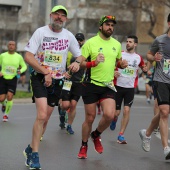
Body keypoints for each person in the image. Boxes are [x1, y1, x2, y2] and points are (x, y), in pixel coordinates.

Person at [23, 5, 82, 169]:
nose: (59, 17)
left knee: (46, 119)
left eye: (63, 15)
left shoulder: (69, 36)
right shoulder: (41, 32)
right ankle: (34, 156)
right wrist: (45, 72)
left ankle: (30, 148)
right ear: (51, 15)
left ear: (66, 19)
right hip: (40, 78)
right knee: (41, 115)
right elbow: (28, 55)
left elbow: (80, 55)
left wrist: (77, 63)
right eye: (57, 14)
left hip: (58, 81)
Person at [77, 15, 128, 159]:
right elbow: (80, 62)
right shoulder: (90, 43)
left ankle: (96, 134)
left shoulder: (117, 44)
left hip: (107, 85)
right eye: (107, 25)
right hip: (90, 83)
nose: (110, 27)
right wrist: (93, 63)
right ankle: (84, 144)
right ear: (101, 26)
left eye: (112, 25)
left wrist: (121, 65)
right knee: (90, 118)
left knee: (110, 115)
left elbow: (117, 62)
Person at [139, 13, 170, 160]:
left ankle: (147, 134)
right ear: (169, 24)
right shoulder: (160, 40)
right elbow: (149, 55)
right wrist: (154, 58)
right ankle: (166, 149)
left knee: (164, 112)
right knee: (164, 112)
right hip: (161, 79)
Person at [109, 35, 147, 144]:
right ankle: (114, 119)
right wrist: (113, 73)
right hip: (118, 87)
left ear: (135, 44)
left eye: (130, 42)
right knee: (116, 113)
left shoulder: (138, 58)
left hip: (130, 89)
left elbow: (143, 67)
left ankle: (121, 134)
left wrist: (145, 69)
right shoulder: (120, 54)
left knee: (126, 110)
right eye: (127, 41)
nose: (128, 43)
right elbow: (110, 65)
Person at [58, 33, 85, 134]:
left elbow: (88, 65)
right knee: (65, 105)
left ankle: (69, 125)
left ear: (83, 41)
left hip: (79, 82)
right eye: (77, 39)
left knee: (73, 105)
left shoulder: (84, 53)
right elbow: (61, 65)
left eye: (80, 40)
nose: (78, 41)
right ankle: (62, 112)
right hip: (68, 82)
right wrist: (63, 74)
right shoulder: (68, 52)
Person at [0, 41, 27, 122]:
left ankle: (6, 115)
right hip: (3, 78)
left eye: (13, 45)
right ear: (8, 46)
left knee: (10, 96)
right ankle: (4, 104)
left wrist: (20, 71)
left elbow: (24, 66)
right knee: (1, 99)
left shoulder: (18, 57)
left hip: (13, 78)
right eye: (10, 45)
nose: (11, 46)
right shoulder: (2, 55)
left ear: (15, 47)